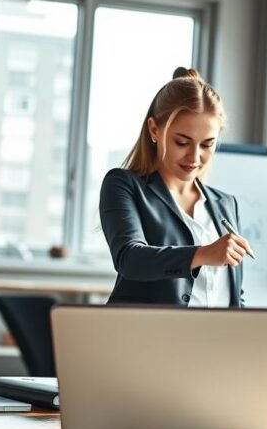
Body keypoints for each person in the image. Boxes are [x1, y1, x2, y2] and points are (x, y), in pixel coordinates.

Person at [99, 67, 250, 307]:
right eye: (182, 142)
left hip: (216, 341)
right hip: (150, 338)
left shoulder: (226, 204)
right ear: (154, 130)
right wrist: (203, 254)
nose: (194, 156)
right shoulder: (124, 185)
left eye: (207, 145)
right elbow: (130, 259)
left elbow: (232, 293)